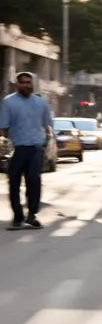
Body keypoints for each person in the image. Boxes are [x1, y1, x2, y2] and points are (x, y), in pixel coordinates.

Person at [0, 72, 52, 230]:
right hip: (17, 148)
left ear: (32, 84)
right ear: (17, 84)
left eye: (28, 82)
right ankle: (18, 217)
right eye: (23, 82)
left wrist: (46, 145)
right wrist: (8, 146)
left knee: (34, 181)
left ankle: (32, 215)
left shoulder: (41, 102)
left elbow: (48, 126)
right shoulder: (9, 102)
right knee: (14, 182)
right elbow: (3, 127)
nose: (26, 85)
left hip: (36, 148)